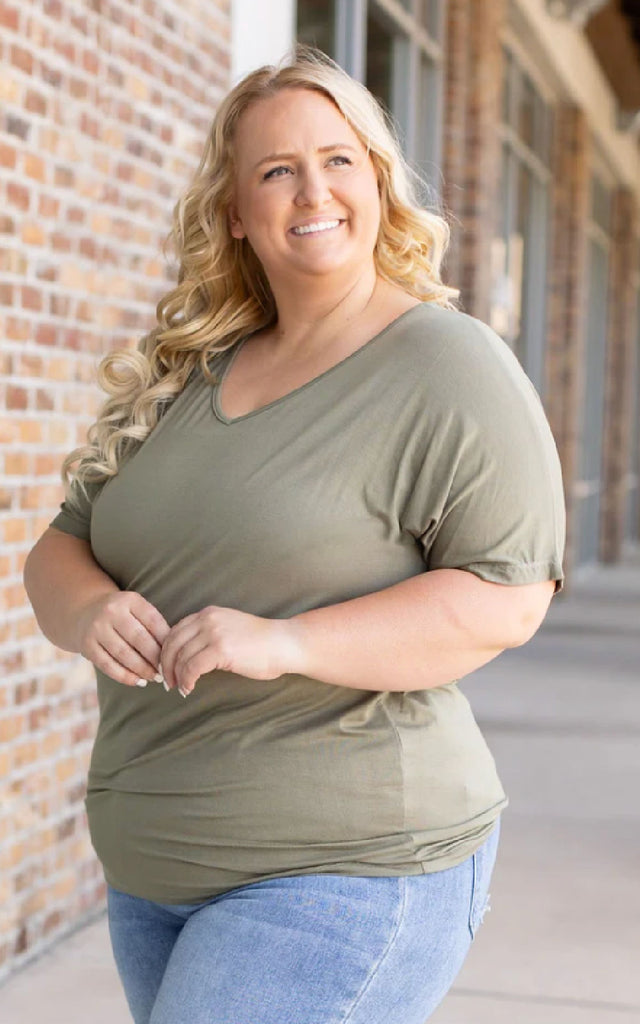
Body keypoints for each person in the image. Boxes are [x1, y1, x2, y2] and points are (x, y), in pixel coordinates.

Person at [23, 46, 565, 1024]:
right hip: (155, 874)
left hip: (348, 867)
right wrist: (93, 608)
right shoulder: (189, 369)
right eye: (276, 170)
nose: (311, 188)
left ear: (378, 181)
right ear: (234, 210)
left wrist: (286, 642)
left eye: (338, 159)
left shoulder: (447, 364)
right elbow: (62, 545)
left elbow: (509, 594)